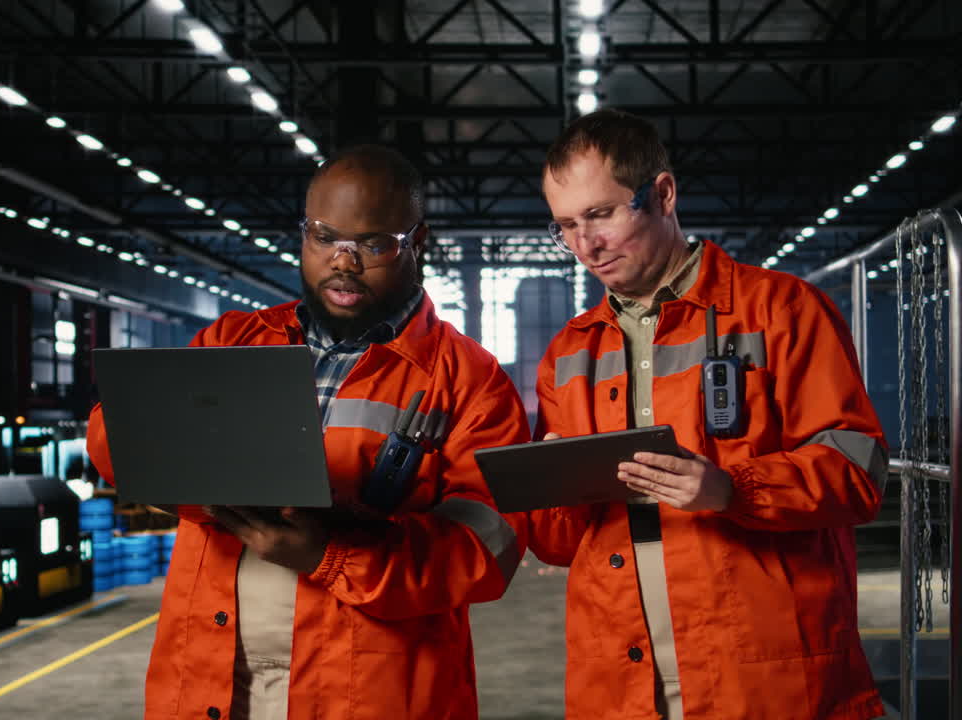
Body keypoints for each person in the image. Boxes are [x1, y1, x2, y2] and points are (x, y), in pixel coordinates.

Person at [86, 145, 530, 720]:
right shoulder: (233, 341)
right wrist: (199, 479)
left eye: (372, 244)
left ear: (416, 243)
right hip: (214, 683)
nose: (343, 262)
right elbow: (120, 444)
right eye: (324, 237)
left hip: (370, 694)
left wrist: (330, 553)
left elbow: (488, 549)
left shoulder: (470, 380)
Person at [526, 109, 888, 720]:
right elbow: (559, 545)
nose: (586, 244)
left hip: (763, 678)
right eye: (565, 225)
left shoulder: (784, 311)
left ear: (663, 194)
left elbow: (856, 470)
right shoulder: (568, 353)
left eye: (601, 214)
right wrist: (551, 487)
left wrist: (732, 488)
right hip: (620, 685)